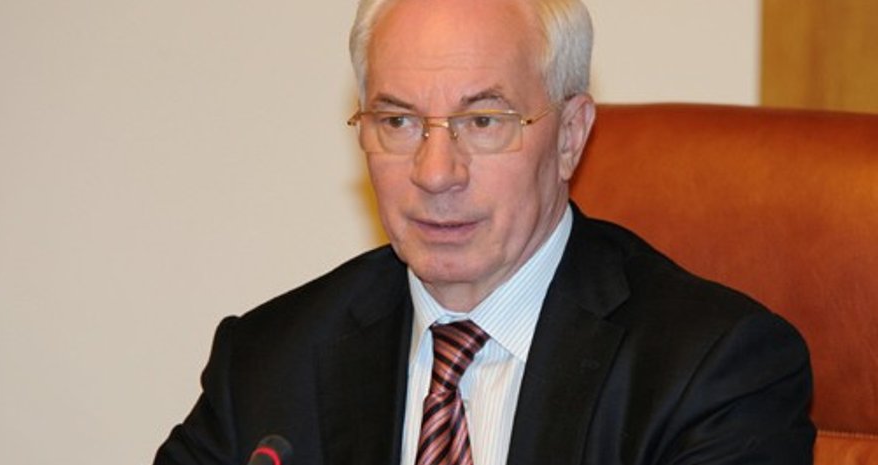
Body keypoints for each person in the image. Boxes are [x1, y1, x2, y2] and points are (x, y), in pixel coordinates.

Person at [154, 0, 815, 464]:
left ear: (570, 136)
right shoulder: (268, 363)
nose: (436, 172)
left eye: (484, 121)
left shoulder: (710, 373)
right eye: (398, 121)